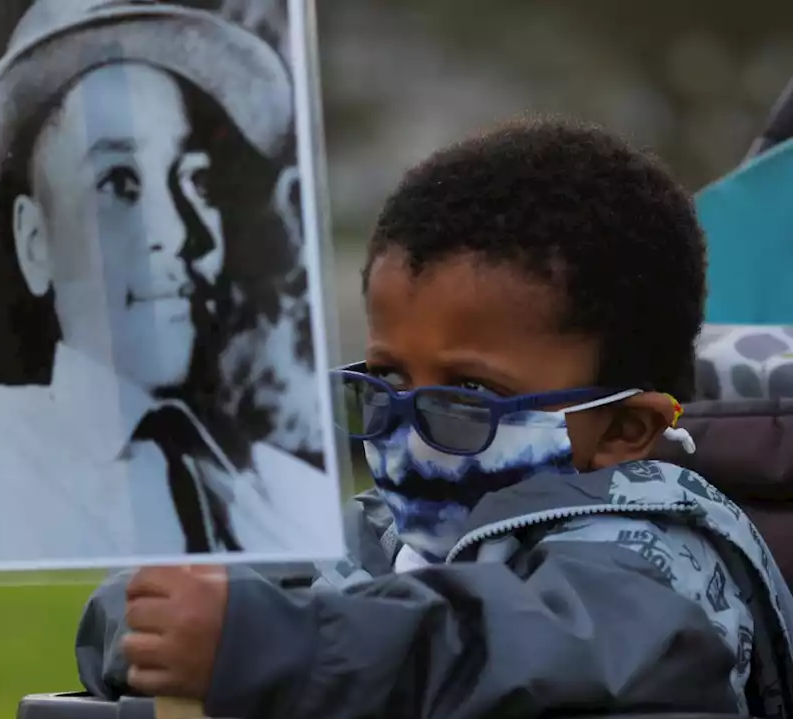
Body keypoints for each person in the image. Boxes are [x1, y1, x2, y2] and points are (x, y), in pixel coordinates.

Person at [74, 119, 793, 717]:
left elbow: (504, 654)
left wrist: (272, 646)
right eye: (387, 380)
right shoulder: (395, 529)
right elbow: (249, 587)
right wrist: (155, 615)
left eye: (468, 394)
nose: (410, 436)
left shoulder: (659, 573)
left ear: (622, 431)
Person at [0, 0, 339, 566]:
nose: (178, 233)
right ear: (35, 242)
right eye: (119, 183)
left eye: (197, 184)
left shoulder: (294, 499)